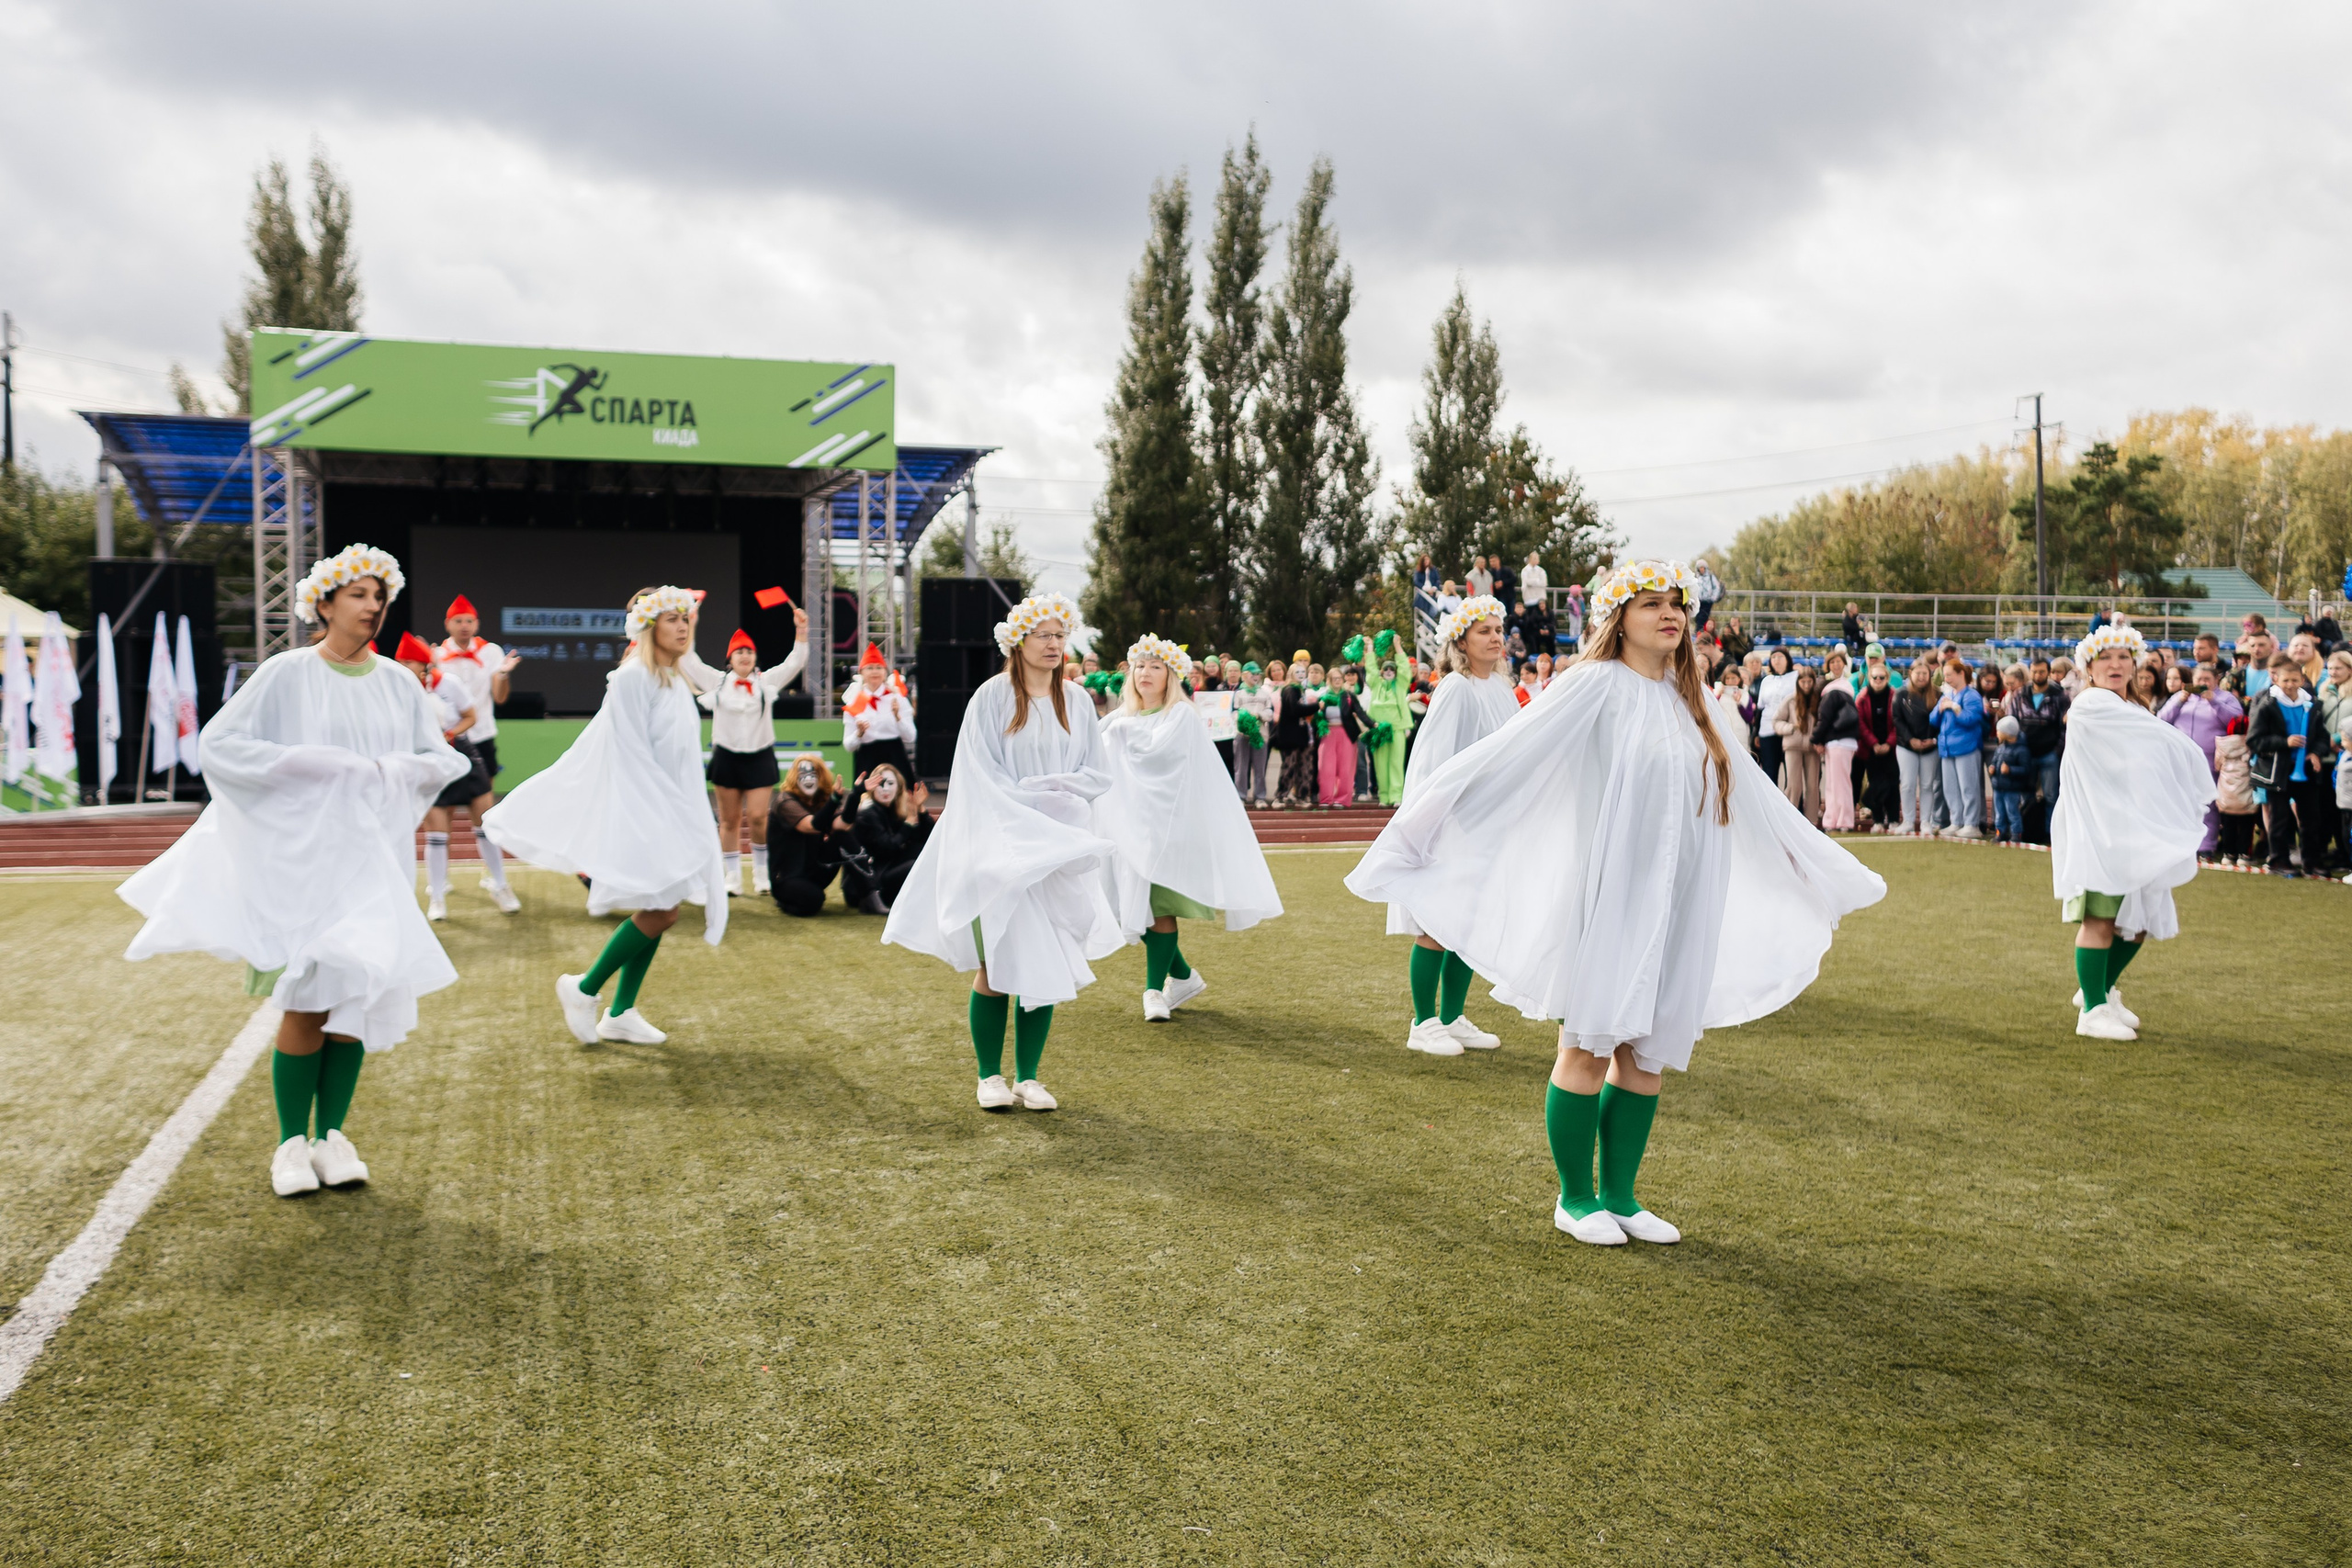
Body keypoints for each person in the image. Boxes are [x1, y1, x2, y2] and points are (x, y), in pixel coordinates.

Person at [1348, 558, 1883, 1246]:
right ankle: (1575, 1197)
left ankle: (1622, 1195)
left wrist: (1817, 866)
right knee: (1590, 1041)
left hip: (1682, 897)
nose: (1669, 614)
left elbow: (1753, 796)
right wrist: (1423, 825)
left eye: (1677, 604)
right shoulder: (1595, 685)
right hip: (1613, 892)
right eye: (1651, 603)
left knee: (1647, 1051)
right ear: (1617, 617)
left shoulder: (1698, 704)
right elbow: (1508, 756)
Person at [119, 544, 469, 1198]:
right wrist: (307, 763)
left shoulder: (397, 680)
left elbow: (441, 759)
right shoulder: (287, 673)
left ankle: (331, 1135)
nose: (373, 607)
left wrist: (399, 771)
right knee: (306, 999)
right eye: (359, 595)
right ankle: (289, 1143)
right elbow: (220, 745)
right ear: (325, 603)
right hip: (304, 865)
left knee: (354, 999)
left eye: (379, 596)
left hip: (374, 867)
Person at [882, 592, 1121, 1111]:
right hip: (1003, 846)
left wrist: (1055, 791)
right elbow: (979, 773)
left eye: (1061, 635)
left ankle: (1029, 1077)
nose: (1055, 644)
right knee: (997, 963)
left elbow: (1097, 772)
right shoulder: (991, 697)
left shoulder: (1077, 700)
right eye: (1045, 635)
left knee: (1048, 956)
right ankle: (989, 1076)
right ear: (1019, 641)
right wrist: (1030, 801)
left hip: (1056, 846)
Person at [484, 586, 727, 1046]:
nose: (682, 626)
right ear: (649, 626)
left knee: (662, 906)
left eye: (685, 619)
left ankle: (620, 1011)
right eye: (672, 619)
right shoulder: (633, 679)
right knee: (661, 910)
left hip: (669, 810)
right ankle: (585, 988)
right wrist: (665, 814)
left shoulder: (674, 680)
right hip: (647, 812)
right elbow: (631, 755)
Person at [1095, 635, 1283, 1021]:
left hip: (1166, 831)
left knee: (1158, 908)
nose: (1145, 673)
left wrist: (1116, 734)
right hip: (1129, 830)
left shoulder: (1178, 715)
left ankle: (1153, 990)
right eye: (1140, 666)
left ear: (1170, 676)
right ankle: (1181, 976)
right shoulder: (1121, 719)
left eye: (1155, 667)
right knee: (1137, 908)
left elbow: (1158, 756)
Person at [1365, 593, 1519, 1057]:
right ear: (1462, 642)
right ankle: (1423, 1021)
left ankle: (1451, 1017)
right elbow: (1434, 761)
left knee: (1467, 926)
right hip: (1454, 825)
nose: (1495, 638)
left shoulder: (1500, 688)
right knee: (1435, 923)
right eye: (1484, 632)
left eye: (1498, 630)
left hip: (1487, 826)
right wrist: (1430, 824)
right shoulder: (1457, 687)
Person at [2052, 625, 2215, 1040]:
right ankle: (2091, 1011)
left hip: (2129, 830)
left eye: (2123, 657)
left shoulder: (2134, 708)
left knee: (2137, 924)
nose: (2116, 664)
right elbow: (2167, 745)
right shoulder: (2092, 704)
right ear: (2089, 667)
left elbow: (2149, 759)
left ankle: (2100, 991)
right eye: (2106, 657)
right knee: (2101, 917)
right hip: (2100, 830)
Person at [392, 631, 511, 920]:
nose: (403, 666)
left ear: (423, 664)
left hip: (461, 754)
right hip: (428, 761)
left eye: (409, 661)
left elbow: (471, 717)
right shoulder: (396, 688)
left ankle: (501, 885)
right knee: (436, 833)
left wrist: (448, 734)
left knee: (485, 823)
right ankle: (438, 896)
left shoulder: (449, 684)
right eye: (401, 661)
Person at [701, 614, 809, 896]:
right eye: (739, 652)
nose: (745, 656)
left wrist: (801, 630)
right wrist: (692, 619)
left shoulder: (766, 681)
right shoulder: (716, 682)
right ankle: (733, 878)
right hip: (726, 757)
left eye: (749, 651)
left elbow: (795, 662)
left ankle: (762, 875)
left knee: (760, 816)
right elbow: (689, 662)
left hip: (760, 756)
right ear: (730, 659)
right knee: (729, 820)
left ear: (755, 656)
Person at [432, 594, 523, 910]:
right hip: (448, 741)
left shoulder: (491, 652)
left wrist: (503, 674)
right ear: (448, 624)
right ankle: (440, 879)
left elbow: (500, 698)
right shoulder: (437, 656)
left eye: (469, 621)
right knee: (442, 809)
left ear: (477, 624)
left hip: (482, 737)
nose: (464, 626)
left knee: (483, 811)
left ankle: (492, 874)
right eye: (458, 621)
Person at [2248, 652, 2346, 875]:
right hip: (2278, 770)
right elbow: (2254, 740)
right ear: (2276, 680)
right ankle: (2278, 861)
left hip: (2306, 772)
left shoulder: (2312, 705)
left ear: (2302, 680)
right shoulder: (2267, 705)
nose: (2290, 685)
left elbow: (2321, 737)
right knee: (2280, 819)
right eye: (2285, 681)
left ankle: (2312, 861)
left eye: (2294, 680)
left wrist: (2315, 753)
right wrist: (2285, 742)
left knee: (2311, 819)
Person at [2156, 663, 2240, 858]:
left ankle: (2206, 846)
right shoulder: (2180, 697)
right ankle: (2183, 843)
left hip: (2211, 760)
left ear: (2216, 680)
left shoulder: (2226, 698)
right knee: (2180, 803)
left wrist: (2214, 702)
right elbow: (2161, 720)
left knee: (2208, 804)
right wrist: (2179, 701)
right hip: (2180, 760)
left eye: (2206, 680)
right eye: (2198, 679)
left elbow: (2236, 722)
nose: (2202, 683)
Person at [766, 753, 859, 914]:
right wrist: (834, 800)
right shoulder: (785, 801)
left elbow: (842, 825)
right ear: (795, 777)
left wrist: (855, 795)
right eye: (803, 774)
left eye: (813, 774)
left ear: (821, 777)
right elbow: (810, 826)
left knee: (842, 836)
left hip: (814, 870)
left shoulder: (822, 801)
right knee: (813, 901)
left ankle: (867, 894)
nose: (808, 779)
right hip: (787, 876)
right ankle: (783, 901)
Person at [842, 762, 932, 914]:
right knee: (913, 865)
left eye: (890, 783)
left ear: (899, 787)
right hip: (864, 887)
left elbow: (927, 840)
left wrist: (920, 809)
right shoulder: (868, 813)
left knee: (921, 851)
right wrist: (908, 824)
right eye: (880, 784)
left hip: (884, 874)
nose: (886, 788)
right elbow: (887, 848)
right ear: (872, 787)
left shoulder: (894, 811)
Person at [842, 643, 916, 787]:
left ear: (885, 672)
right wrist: (859, 733)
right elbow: (848, 746)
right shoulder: (855, 702)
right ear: (862, 672)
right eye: (870, 668)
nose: (874, 672)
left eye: (878, 667)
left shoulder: (896, 698)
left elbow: (911, 737)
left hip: (895, 757)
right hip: (867, 759)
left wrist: (898, 717)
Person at [1932, 660, 1987, 839]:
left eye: (1949, 675)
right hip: (1947, 748)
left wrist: (1955, 708)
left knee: (1968, 787)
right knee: (1950, 788)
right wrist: (1941, 708)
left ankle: (1972, 824)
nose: (1946, 679)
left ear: (1960, 674)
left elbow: (1971, 719)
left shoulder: (1972, 695)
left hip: (1967, 747)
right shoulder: (1947, 694)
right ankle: (1956, 821)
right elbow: (1933, 720)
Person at [1360, 635, 1415, 806]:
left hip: (1397, 728)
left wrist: (1398, 646)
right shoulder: (1376, 684)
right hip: (1379, 729)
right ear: (1382, 672)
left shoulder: (1400, 684)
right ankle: (1384, 796)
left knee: (1396, 763)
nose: (1390, 671)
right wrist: (1369, 648)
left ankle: (1397, 796)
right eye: (1386, 669)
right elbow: (1370, 668)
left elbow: (1405, 668)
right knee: (1380, 764)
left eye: (1392, 669)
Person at [1813, 663, 1860, 831]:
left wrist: (1815, 739)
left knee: (1837, 784)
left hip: (1838, 743)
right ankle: (1833, 820)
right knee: (1836, 783)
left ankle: (1843, 821)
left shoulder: (1830, 696)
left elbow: (1823, 720)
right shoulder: (1846, 696)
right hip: (1843, 743)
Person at [1853, 660, 1899, 829]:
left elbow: (1897, 722)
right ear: (1869, 678)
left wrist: (1888, 743)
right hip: (1870, 750)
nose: (1878, 680)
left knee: (1893, 785)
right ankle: (1878, 820)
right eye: (1875, 677)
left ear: (1887, 678)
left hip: (1891, 749)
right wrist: (1873, 743)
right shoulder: (1862, 698)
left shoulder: (1895, 696)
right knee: (1875, 784)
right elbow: (1860, 724)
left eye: (1881, 677)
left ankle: (1893, 819)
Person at [1318, 663, 1372, 807]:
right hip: (1328, 733)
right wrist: (1319, 711)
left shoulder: (1348, 696)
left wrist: (1373, 724)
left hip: (1346, 734)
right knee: (1327, 768)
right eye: (1334, 678)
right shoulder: (1323, 697)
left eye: (1339, 678)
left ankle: (1341, 799)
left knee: (1345, 768)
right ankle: (1326, 798)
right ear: (1329, 680)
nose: (1337, 681)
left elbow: (1360, 713)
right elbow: (1316, 719)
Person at [1273, 652, 1318, 808]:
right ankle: (1280, 796)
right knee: (1289, 766)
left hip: (1303, 735)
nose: (1300, 674)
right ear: (1291, 674)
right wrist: (1316, 706)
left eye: (1302, 672)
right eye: (1297, 672)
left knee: (1305, 767)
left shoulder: (1301, 690)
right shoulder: (1290, 690)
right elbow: (1295, 709)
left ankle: (1302, 795)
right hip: (1290, 735)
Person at [2213, 717, 2258, 867]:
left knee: (2228, 825)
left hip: (2226, 793)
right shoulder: (2252, 744)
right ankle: (2244, 854)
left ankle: (2228, 853)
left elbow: (2217, 766)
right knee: (2246, 825)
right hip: (2246, 793)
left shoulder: (2222, 745)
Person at [1231, 660, 1275, 805]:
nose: (1256, 677)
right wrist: (1244, 720)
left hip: (1260, 734)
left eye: (1258, 674)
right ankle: (1240, 796)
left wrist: (1260, 716)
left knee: (1259, 767)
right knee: (1241, 767)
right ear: (1244, 675)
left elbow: (1270, 712)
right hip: (1242, 735)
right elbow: (1233, 713)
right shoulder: (1238, 694)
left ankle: (1260, 796)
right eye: (1252, 674)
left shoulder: (1264, 694)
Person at [1755, 647, 1799, 794]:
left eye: (1780, 657)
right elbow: (1760, 708)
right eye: (1773, 657)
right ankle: (1771, 809)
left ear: (1787, 660)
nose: (1777, 660)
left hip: (1789, 730)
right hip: (1767, 731)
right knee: (1769, 772)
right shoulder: (1766, 680)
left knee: (1791, 773)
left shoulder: (1796, 677)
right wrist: (1756, 733)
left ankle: (1793, 808)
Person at [1988, 716, 2034, 842]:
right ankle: (2000, 833)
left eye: (1999, 731)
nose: (1997, 733)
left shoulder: (2022, 750)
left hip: (2012, 788)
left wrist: (2011, 770)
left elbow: (2026, 770)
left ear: (2007, 733)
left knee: (2013, 812)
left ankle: (2016, 834)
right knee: (1999, 813)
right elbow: (1995, 761)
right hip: (1999, 787)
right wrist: (1993, 769)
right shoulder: (2000, 748)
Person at [1689, 557, 1723, 631]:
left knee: (1704, 616)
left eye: (1703, 568)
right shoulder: (1696, 577)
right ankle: (1699, 630)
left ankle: (1700, 630)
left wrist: (1713, 597)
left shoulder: (1710, 577)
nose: (1702, 569)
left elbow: (1716, 587)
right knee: (1698, 616)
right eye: (1700, 568)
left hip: (1708, 601)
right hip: (1699, 600)